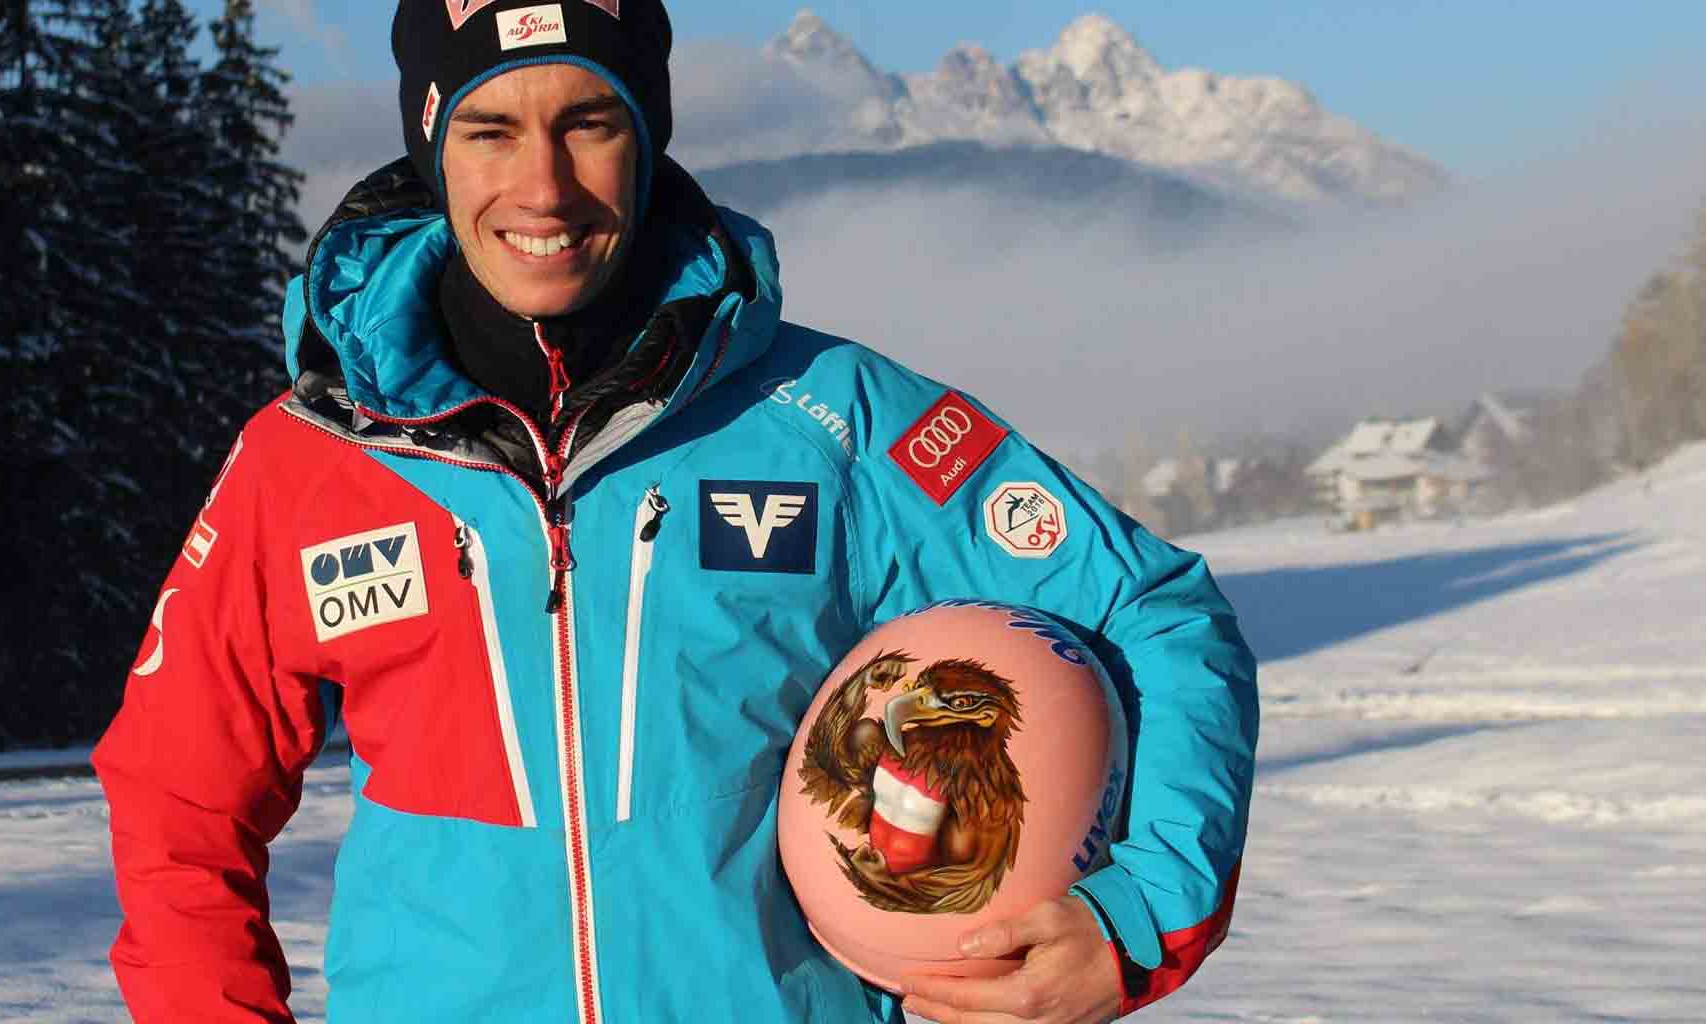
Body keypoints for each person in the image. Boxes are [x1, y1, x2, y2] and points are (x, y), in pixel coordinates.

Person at [91, 2, 1258, 1022]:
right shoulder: (307, 460)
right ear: (431, 148)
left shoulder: (830, 417)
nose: (541, 188)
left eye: (587, 123)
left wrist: (1133, 915)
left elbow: (1151, 608)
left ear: (645, 138)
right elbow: (176, 797)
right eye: (489, 130)